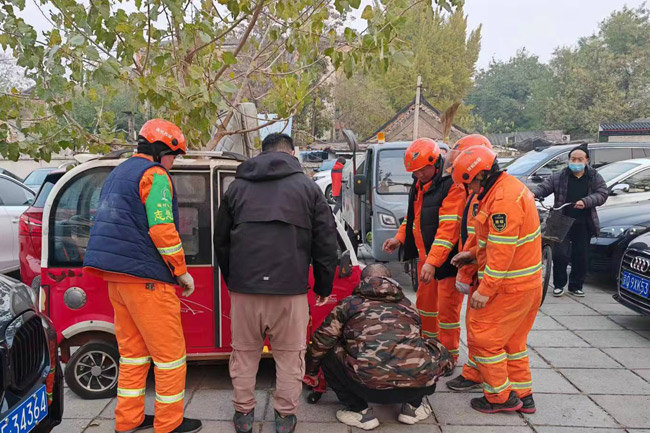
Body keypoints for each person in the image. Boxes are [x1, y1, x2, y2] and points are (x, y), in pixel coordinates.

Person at [214, 133, 338, 433]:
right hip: (290, 290)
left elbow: (221, 240)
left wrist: (235, 281)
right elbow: (326, 241)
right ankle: (284, 416)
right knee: (289, 355)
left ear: (262, 153)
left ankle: (243, 414)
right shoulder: (308, 188)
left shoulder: (237, 187)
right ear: (292, 153)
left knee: (244, 354)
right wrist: (323, 286)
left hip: (245, 289)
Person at [84, 119, 201, 433]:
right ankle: (168, 423)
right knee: (170, 357)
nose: (173, 163)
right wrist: (181, 271)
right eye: (173, 156)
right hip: (148, 281)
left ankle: (128, 420)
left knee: (133, 355)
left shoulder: (118, 173)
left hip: (118, 282)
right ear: (162, 150)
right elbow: (163, 229)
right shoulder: (155, 175)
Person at [305, 264, 454, 430]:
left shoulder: (348, 304)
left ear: (362, 282)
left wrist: (310, 372)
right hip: (416, 385)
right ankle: (413, 407)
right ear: (391, 281)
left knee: (328, 349)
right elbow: (417, 340)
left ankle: (359, 411)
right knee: (431, 346)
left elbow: (321, 341)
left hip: (366, 388)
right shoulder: (409, 305)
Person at [450, 145, 542, 414]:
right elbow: (494, 241)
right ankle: (524, 394)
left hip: (508, 287)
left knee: (483, 339)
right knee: (513, 344)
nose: (472, 190)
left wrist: (485, 290)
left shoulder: (502, 201)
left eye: (472, 184)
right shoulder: (506, 189)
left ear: (481, 175)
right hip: (525, 285)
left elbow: (501, 252)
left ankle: (500, 397)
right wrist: (471, 255)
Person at [382, 138, 466, 363]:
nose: (418, 174)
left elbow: (449, 229)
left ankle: (449, 356)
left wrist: (433, 262)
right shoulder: (419, 186)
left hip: (446, 263)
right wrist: (399, 238)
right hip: (426, 259)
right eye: (414, 171)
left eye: (421, 170)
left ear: (435, 161)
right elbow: (414, 218)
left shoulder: (452, 186)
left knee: (447, 312)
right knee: (426, 309)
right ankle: (429, 348)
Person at [443, 135, 494, 393]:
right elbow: (474, 240)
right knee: (476, 328)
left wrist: (471, 274)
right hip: (480, 273)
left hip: (489, 278)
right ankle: (475, 372)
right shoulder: (476, 196)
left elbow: (492, 246)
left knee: (484, 332)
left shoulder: (490, 199)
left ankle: (488, 381)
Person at [532, 144, 608, 297]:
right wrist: (533, 194)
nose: (576, 162)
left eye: (580, 159)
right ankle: (559, 285)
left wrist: (586, 201)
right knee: (560, 254)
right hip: (561, 220)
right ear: (568, 160)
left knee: (581, 255)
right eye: (573, 159)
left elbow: (602, 193)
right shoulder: (559, 176)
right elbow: (543, 187)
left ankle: (576, 286)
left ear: (587, 160)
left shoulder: (593, 176)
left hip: (584, 222)